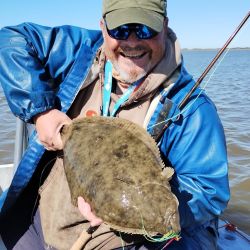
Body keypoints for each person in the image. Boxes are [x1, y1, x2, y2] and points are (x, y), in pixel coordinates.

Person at [0, 0, 230, 249]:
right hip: (42, 218)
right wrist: (41, 111)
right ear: (103, 27)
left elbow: (209, 190)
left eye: (145, 29)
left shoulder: (194, 109)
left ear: (164, 26)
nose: (131, 42)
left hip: (115, 237)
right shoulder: (81, 52)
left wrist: (126, 206)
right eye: (120, 30)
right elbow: (11, 39)